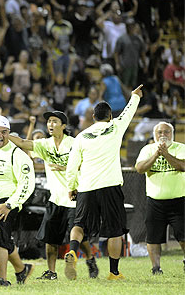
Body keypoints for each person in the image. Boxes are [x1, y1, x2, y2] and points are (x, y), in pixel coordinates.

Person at [66, 85, 144, 281]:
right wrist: (134, 97)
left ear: (93, 118)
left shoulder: (81, 136)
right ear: (110, 116)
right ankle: (114, 273)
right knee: (115, 230)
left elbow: (72, 166)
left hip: (86, 187)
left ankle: (73, 252)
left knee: (79, 224)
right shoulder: (115, 127)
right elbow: (128, 112)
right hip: (110, 186)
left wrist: (71, 187)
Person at [9, 111, 98, 280]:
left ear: (64, 126)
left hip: (75, 197)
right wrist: (4, 134)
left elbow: (89, 164)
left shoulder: (74, 143)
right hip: (55, 198)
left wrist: (66, 168)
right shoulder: (45, 144)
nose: (50, 124)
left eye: (55, 121)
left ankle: (90, 259)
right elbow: (22, 143)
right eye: (49, 121)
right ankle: (52, 272)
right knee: (51, 238)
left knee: (80, 236)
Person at [0, 115, 35, 286]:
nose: (0, 136)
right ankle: (21, 269)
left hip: (5, 202)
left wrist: (10, 205)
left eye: (4, 132)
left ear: (9, 133)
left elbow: (27, 184)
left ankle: (2, 279)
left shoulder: (17, 155)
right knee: (3, 238)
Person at [135, 122, 185, 274]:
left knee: (183, 236)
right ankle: (156, 267)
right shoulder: (148, 149)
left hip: (179, 200)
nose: (163, 135)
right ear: (154, 135)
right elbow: (139, 168)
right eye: (160, 132)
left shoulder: (180, 148)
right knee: (153, 237)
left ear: (173, 134)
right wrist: (156, 154)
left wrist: (166, 154)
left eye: (167, 132)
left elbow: (182, 166)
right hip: (155, 202)